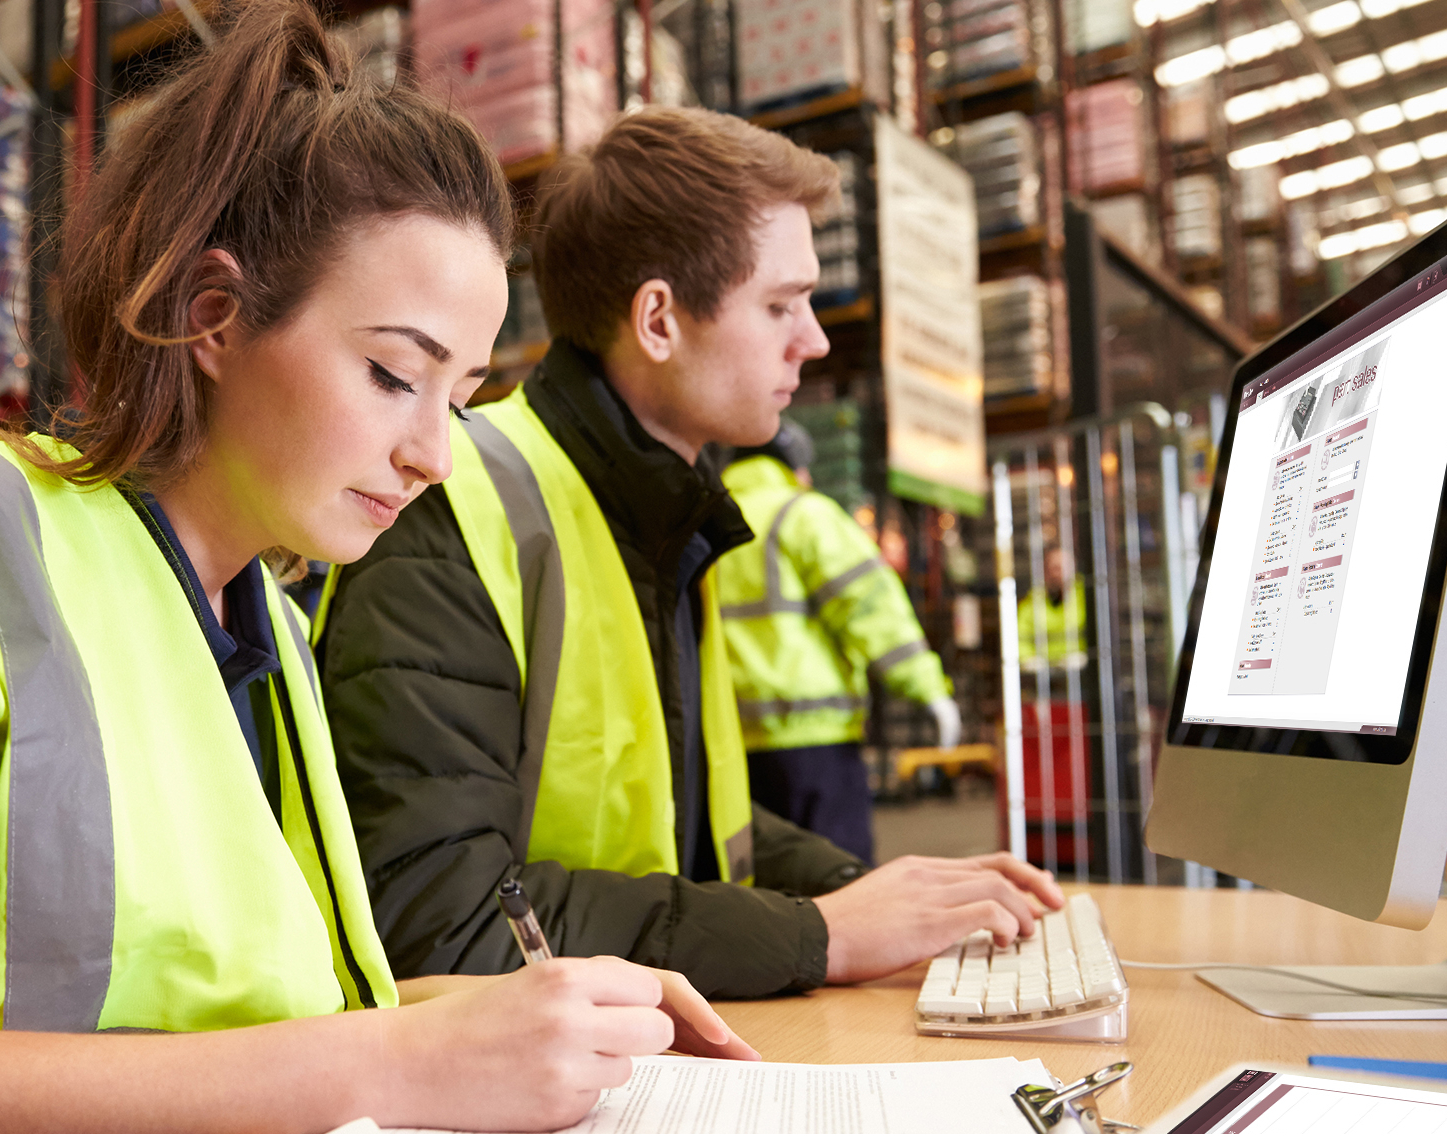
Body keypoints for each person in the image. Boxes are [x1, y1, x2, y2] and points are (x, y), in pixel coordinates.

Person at [0, 11, 752, 1134]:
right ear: (215, 316)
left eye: (463, 396)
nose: (434, 455)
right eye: (396, 375)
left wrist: (526, 1014)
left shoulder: (267, 630)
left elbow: (253, 1018)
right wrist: (397, 1055)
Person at [316, 106, 1062, 1001]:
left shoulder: (664, 517)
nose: (814, 339)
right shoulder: (451, 506)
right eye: (781, 303)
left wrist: (875, 893)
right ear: (660, 320)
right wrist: (816, 933)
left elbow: (697, 834)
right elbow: (444, 918)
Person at [716, 421, 962, 863]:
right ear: (795, 467)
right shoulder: (802, 513)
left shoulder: (706, 520)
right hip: (814, 739)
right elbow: (868, 606)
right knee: (838, 875)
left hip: (730, 745)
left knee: (762, 886)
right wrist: (928, 690)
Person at [1018, 545, 1088, 668]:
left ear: (1073, 569)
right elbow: (1020, 635)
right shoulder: (1033, 599)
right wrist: (1028, 658)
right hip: (1044, 669)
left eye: (1061, 568)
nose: (1056, 573)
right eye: (1052, 568)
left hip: (1081, 666)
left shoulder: (1086, 596)